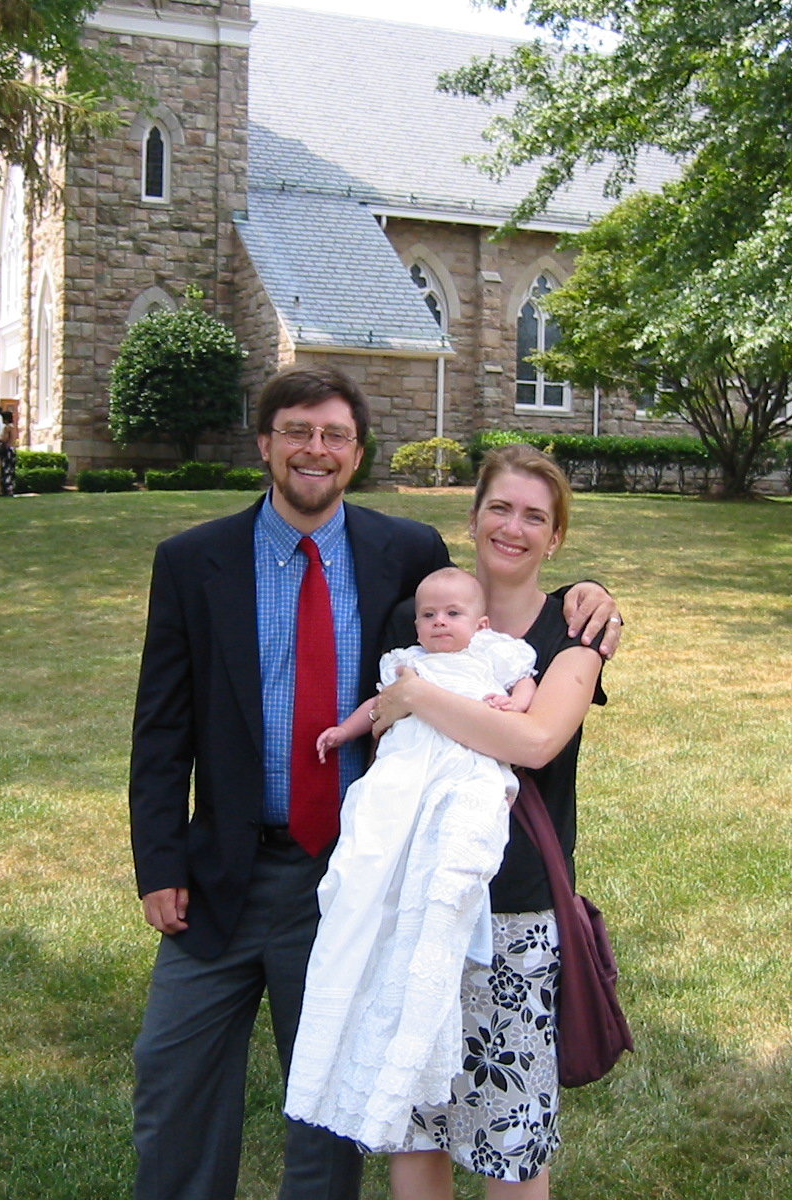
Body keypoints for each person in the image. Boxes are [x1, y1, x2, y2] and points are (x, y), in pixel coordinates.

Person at [126, 367, 620, 1200]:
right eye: (297, 432)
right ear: (266, 443)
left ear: (357, 454)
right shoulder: (195, 562)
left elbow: (497, 659)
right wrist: (159, 861)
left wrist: (595, 596)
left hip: (358, 872)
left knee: (338, 1098)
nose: (314, 450)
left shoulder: (405, 556)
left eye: (335, 436)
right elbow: (161, 726)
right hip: (225, 869)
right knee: (175, 1082)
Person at [372, 444, 609, 1199]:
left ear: (555, 538)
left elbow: (536, 739)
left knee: (510, 1138)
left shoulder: (573, 633)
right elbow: (379, 726)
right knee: (418, 1124)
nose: (514, 527)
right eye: (500, 509)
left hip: (515, 908)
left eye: (535, 516)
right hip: (415, 897)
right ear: (472, 521)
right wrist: (400, 700)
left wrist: (419, 696)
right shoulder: (420, 618)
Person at [285, 566, 537, 1151]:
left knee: (462, 831)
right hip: (406, 768)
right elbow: (378, 706)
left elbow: (529, 682)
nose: (438, 623)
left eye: (451, 615)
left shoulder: (495, 653)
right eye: (428, 615)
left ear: (479, 623)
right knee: (372, 835)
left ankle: (448, 893)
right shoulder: (406, 661)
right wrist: (346, 732)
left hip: (464, 764)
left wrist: (513, 703)